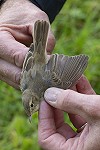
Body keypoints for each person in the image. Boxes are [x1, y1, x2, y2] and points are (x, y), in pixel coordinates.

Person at [0, 1, 100, 150]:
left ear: (33, 99)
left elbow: (58, 72)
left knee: (63, 84)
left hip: (40, 55)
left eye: (33, 106)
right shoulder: (24, 84)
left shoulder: (44, 90)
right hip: (36, 51)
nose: (34, 110)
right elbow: (27, 62)